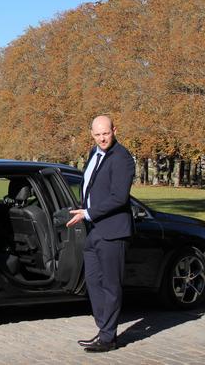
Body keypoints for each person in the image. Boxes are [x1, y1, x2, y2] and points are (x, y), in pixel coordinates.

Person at [66, 115, 135, 353]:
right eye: (97, 134)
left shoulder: (122, 158)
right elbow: (90, 187)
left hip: (113, 231)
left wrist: (88, 212)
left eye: (106, 133)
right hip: (95, 230)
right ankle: (104, 328)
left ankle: (108, 337)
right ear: (92, 134)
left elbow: (119, 197)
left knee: (111, 286)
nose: (102, 138)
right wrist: (82, 210)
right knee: (93, 281)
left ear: (114, 130)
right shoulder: (93, 155)